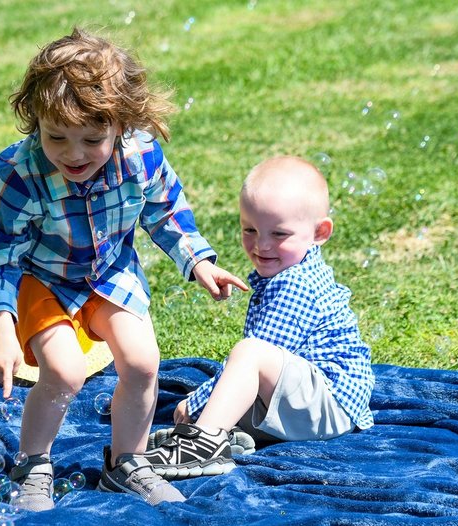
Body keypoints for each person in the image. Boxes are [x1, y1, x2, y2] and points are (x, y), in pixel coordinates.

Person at [0, 28, 247, 511]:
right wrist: (0, 329)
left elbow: (165, 212)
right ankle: (33, 464)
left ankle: (128, 463)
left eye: (91, 139)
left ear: (122, 125)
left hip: (108, 272)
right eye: (55, 136)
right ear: (32, 119)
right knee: (65, 372)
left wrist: (199, 262)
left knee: (143, 363)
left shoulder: (141, 158)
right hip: (43, 278)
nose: (73, 154)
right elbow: (2, 256)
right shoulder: (17, 174)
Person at [143, 155, 375, 478]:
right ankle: (222, 436)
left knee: (250, 352)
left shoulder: (295, 285)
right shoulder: (291, 268)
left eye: (279, 234)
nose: (261, 245)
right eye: (250, 229)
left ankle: (202, 445)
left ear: (320, 232)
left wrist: (197, 401)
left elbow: (260, 351)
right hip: (312, 403)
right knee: (240, 377)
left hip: (330, 405)